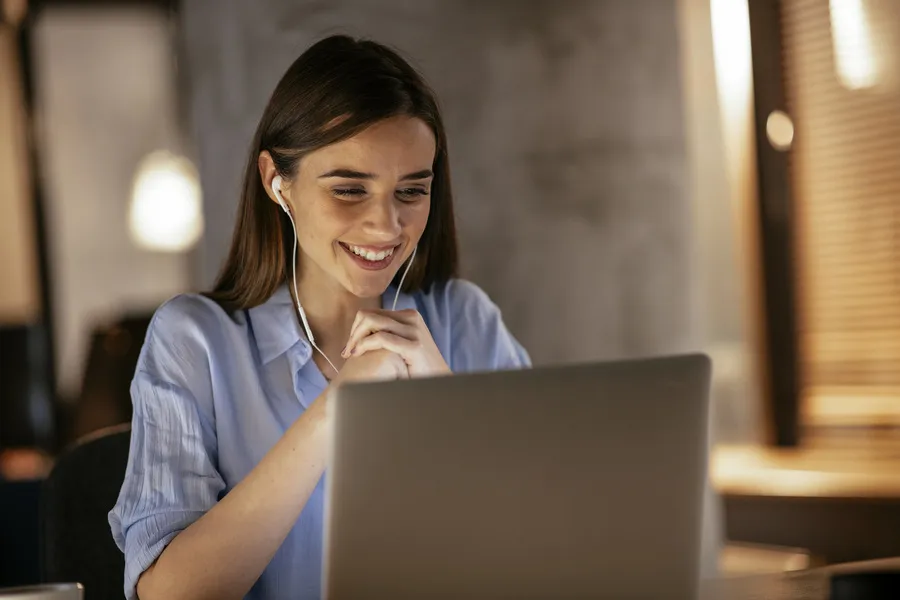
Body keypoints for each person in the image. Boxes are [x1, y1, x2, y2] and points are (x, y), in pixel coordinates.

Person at [109, 35, 530, 600]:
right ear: (276, 182)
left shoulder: (467, 322)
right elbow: (174, 594)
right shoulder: (195, 341)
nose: (387, 226)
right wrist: (337, 409)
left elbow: (544, 550)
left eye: (411, 191)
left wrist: (446, 408)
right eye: (350, 189)